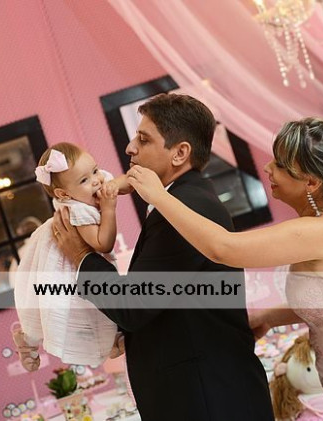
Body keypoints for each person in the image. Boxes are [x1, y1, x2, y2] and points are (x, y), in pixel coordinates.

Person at [126, 117, 323, 420]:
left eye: (281, 165)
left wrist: (159, 196)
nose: (268, 168)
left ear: (311, 182)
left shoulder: (319, 231)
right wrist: (269, 317)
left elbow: (223, 249)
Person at [53, 94, 274, 421]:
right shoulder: (185, 199)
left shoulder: (185, 208)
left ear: (180, 153)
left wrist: (81, 255)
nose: (130, 147)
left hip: (208, 399)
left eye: (143, 139)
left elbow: (133, 304)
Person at [12, 142, 125, 371]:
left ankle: (111, 339)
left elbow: (114, 180)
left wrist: (118, 184)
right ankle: (28, 341)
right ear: (64, 194)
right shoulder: (77, 211)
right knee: (73, 311)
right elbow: (104, 243)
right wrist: (109, 209)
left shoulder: (92, 187)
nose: (96, 181)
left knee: (95, 304)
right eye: (84, 180)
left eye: (95, 170)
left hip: (81, 268)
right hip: (67, 272)